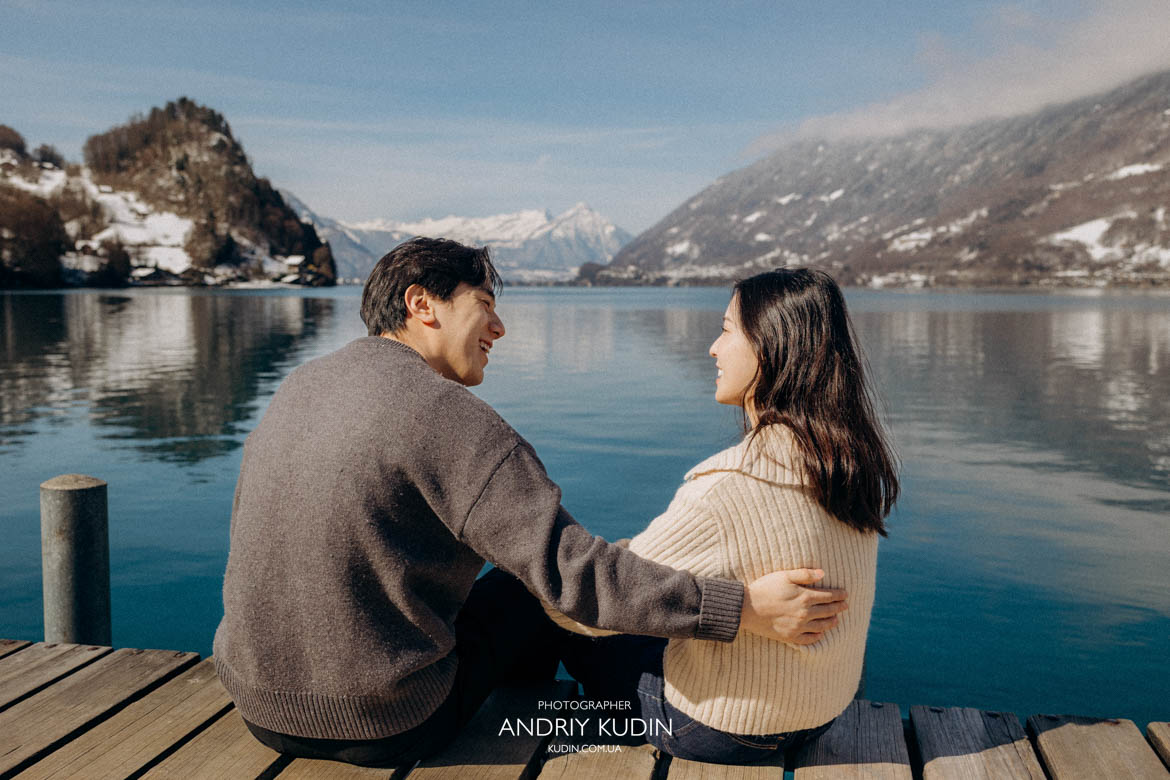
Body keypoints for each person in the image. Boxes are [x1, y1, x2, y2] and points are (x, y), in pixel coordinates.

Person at [212, 239, 849, 768]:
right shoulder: (450, 419)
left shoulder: (300, 386)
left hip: (257, 705)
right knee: (533, 593)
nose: (499, 327)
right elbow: (575, 577)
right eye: (485, 305)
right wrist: (740, 609)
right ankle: (546, 724)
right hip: (388, 722)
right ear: (421, 304)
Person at [546, 267, 899, 765]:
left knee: (552, 607)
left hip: (721, 730)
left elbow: (593, 606)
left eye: (727, 330)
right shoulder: (850, 468)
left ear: (770, 347)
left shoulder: (728, 486)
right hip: (821, 716)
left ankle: (521, 728)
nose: (713, 348)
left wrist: (566, 570)